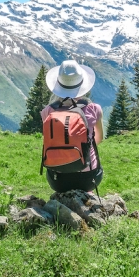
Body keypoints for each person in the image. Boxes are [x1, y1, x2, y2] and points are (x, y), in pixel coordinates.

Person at [41, 60, 104, 193]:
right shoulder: (94, 109)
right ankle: (86, 196)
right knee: (94, 164)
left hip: (57, 180)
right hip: (88, 179)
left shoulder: (48, 111)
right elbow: (99, 139)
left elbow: (49, 141)